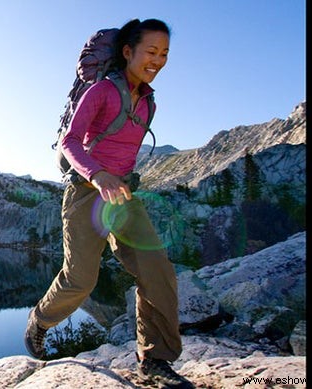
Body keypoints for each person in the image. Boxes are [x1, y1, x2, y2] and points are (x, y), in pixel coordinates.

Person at [25, 18, 194, 388]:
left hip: (122, 197)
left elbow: (127, 154)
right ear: (128, 52)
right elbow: (70, 142)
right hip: (87, 191)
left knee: (157, 270)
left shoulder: (149, 102)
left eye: (164, 53)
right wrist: (97, 174)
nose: (158, 60)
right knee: (81, 279)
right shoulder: (101, 91)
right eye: (151, 51)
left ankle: (155, 360)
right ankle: (40, 320)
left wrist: (121, 183)